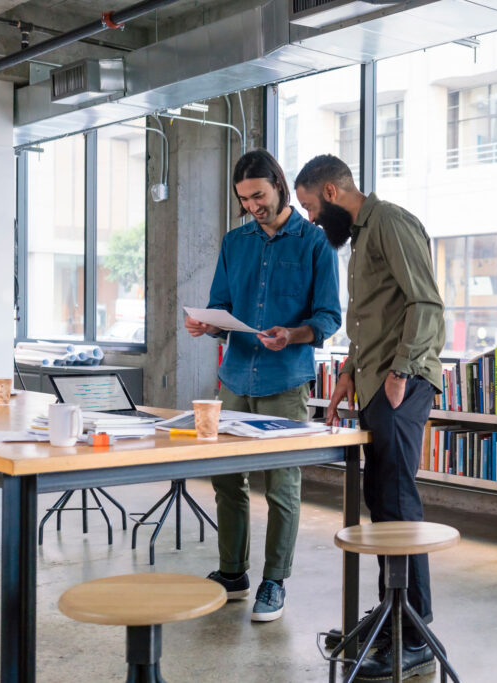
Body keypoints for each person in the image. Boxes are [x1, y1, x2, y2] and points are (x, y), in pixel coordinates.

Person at [294, 154, 446, 680]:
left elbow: (425, 304)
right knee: (381, 499)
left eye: (311, 206)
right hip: (375, 380)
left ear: (332, 192)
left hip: (402, 383)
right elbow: (370, 321)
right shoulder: (361, 238)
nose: (311, 218)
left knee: (398, 500)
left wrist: (401, 371)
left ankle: (416, 629)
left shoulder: (392, 222)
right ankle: (392, 614)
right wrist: (347, 376)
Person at [185, 149, 341, 622]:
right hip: (234, 378)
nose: (253, 205)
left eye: (259, 195)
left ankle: (275, 580)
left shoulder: (315, 243)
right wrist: (207, 325)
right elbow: (220, 304)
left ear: (279, 185)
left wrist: (292, 334)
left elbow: (329, 317)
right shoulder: (235, 243)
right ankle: (233, 572)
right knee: (228, 482)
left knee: (281, 486)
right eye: (244, 199)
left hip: (284, 381)